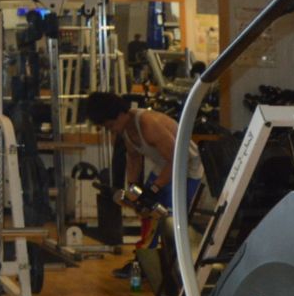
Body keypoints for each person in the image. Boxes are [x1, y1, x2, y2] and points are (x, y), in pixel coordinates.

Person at [81, 90, 203, 273]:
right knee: (146, 211)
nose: (111, 129)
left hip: (188, 170)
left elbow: (179, 160)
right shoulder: (126, 129)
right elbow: (134, 158)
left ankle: (178, 267)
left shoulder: (147, 123)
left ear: (120, 114)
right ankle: (145, 262)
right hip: (165, 167)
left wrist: (154, 188)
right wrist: (132, 189)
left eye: (111, 125)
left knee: (170, 219)